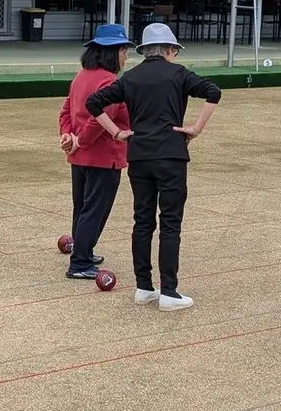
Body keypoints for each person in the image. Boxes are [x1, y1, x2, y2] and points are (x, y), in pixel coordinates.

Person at [85, 22, 221, 311]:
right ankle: (169, 290)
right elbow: (213, 92)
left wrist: (117, 133)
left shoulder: (130, 77)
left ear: (145, 51)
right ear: (170, 50)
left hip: (139, 155)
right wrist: (195, 128)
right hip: (171, 155)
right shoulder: (179, 74)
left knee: (143, 220)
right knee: (170, 222)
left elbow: (94, 103)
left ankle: (144, 287)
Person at [57, 23, 132, 280]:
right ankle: (80, 262)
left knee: (81, 207)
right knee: (95, 210)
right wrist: (80, 141)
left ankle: (83, 251)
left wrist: (68, 135)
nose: (126, 56)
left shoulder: (81, 76)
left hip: (79, 156)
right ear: (113, 52)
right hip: (103, 156)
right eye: (124, 50)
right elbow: (101, 119)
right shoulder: (110, 81)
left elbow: (66, 111)